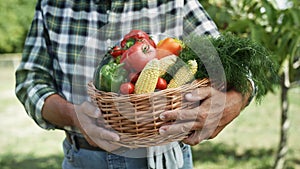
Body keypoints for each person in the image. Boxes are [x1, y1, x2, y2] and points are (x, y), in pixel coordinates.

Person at [15, 0, 253, 168]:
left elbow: (235, 66)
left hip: (163, 160)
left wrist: (235, 100)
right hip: (85, 160)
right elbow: (30, 80)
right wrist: (73, 115)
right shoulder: (52, 4)